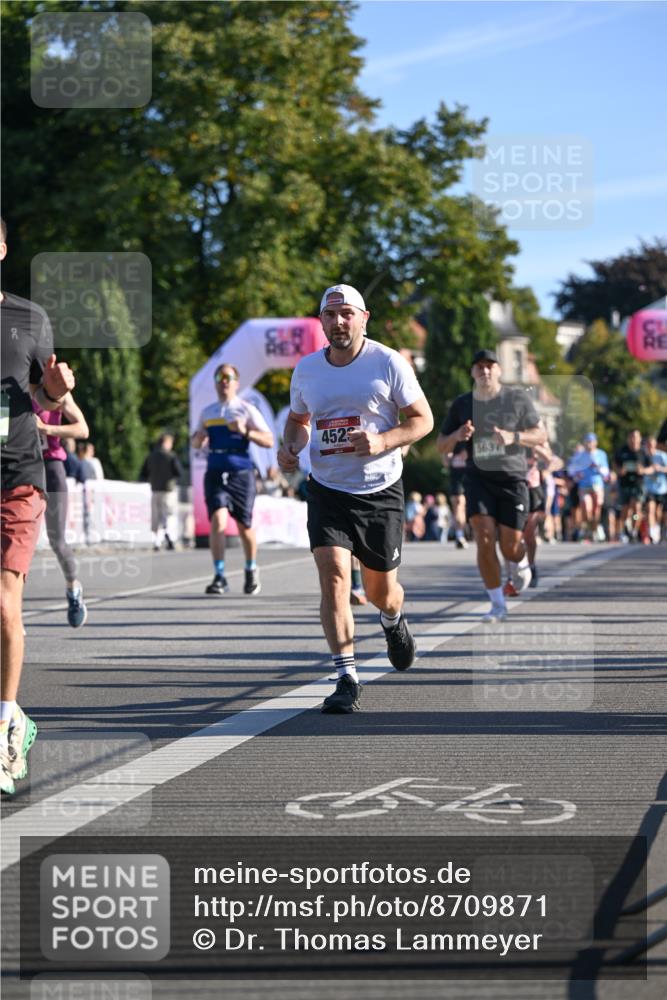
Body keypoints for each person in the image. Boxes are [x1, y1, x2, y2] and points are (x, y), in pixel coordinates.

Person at [278, 283, 433, 713]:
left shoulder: (387, 362)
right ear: (322, 322)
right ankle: (346, 675)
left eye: (347, 313)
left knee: (382, 591)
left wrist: (383, 440)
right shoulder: (308, 369)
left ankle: (391, 619)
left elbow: (423, 420)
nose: (339, 322)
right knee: (333, 577)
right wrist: (290, 446)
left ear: (363, 318)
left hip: (379, 490)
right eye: (331, 315)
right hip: (327, 488)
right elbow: (298, 419)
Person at [1, 216, 76, 794]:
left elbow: (46, 394)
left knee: (5, 605)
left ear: (2, 248)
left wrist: (53, 389)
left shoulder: (29, 317)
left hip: (16, 477)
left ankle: (6, 724)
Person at [437, 349, 546, 623]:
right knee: (484, 538)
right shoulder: (462, 404)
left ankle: (521, 563)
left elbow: (541, 434)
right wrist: (457, 436)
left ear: (499, 370)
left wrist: (514, 436)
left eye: (490, 366)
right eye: (479, 367)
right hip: (479, 478)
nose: (485, 371)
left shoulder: (516, 399)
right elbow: (441, 445)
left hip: (512, 479)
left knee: (510, 546)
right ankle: (497, 604)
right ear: (472, 372)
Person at [192, 363, 274, 595]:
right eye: (219, 377)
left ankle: (250, 568)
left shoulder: (246, 409)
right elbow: (196, 441)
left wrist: (245, 431)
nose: (224, 381)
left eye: (228, 377)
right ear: (216, 383)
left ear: (236, 383)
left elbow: (268, 440)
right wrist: (198, 440)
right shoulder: (208, 412)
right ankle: (219, 576)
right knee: (217, 522)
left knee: (244, 525)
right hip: (215, 471)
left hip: (241, 472)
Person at [32, 392, 90, 626]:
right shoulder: (9, 389)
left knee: (57, 540)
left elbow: (82, 429)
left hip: (52, 467)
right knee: (18, 541)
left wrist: (47, 428)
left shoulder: (55, 389)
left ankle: (73, 587)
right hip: (21, 467)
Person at [140, 433, 183, 550]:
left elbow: (143, 474)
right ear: (167, 443)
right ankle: (170, 537)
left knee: (156, 516)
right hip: (168, 490)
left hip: (155, 489)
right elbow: (179, 472)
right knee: (168, 515)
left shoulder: (151, 456)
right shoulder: (171, 456)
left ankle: (156, 542)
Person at [568, 432, 610, 541]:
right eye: (587, 442)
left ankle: (594, 529)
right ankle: (589, 528)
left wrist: (598, 466)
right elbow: (571, 470)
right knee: (586, 508)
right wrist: (577, 474)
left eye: (591, 442)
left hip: (597, 485)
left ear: (595, 443)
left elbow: (606, 472)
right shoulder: (580, 455)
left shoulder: (601, 454)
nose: (589, 444)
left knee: (596, 510)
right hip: (584, 485)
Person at [615, 429, 651, 542]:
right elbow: (615, 464)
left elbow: (651, 467)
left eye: (636, 437)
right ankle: (626, 525)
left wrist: (643, 470)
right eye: (631, 437)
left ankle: (634, 531)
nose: (633, 440)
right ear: (628, 438)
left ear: (640, 438)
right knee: (625, 509)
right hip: (625, 483)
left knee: (637, 508)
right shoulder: (622, 451)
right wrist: (619, 470)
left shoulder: (644, 452)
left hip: (638, 483)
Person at [644, 435, 667, 543]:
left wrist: (660, 468)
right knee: (650, 510)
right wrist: (649, 469)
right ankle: (652, 532)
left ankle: (659, 527)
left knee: (659, 512)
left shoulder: (661, 456)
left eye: (652, 445)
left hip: (662, 488)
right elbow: (640, 469)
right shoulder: (643, 456)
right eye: (648, 445)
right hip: (649, 488)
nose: (650, 448)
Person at [445, 443, 469, 548]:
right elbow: (445, 461)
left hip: (469, 473)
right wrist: (448, 456)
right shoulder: (451, 433)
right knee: (458, 504)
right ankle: (460, 535)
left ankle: (466, 531)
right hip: (456, 475)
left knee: (465, 506)